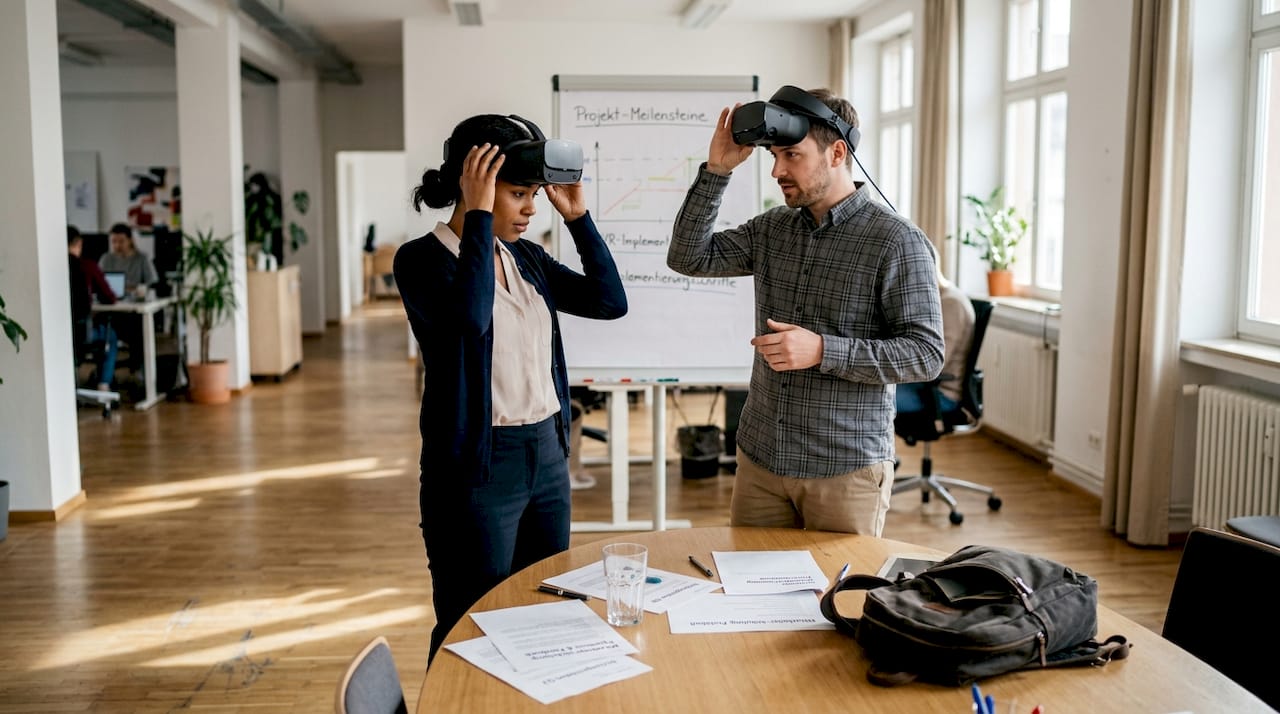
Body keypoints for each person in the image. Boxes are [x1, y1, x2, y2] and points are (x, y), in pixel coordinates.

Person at [394, 114, 627, 663]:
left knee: (546, 607)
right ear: (475, 184)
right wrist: (476, 215)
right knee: (469, 622)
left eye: (533, 195)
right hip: (476, 469)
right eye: (518, 194)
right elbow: (470, 321)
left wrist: (580, 220)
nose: (530, 208)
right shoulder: (420, 261)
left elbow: (609, 301)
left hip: (546, 457)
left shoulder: (524, 257)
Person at [666, 87, 944, 537]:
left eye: (792, 155)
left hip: (844, 471)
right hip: (761, 462)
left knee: (834, 604)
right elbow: (688, 257)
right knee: (750, 603)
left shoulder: (896, 241)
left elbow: (926, 355)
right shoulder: (773, 228)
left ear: (837, 152)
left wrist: (822, 350)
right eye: (774, 155)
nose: (777, 170)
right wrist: (716, 171)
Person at [896, 269, 975, 415]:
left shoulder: (951, 303)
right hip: (923, 386)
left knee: (873, 401)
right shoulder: (941, 298)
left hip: (939, 394)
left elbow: (937, 362)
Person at [67, 226, 119, 392]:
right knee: (110, 336)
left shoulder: (48, 267)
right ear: (79, 243)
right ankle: (103, 384)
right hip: (82, 332)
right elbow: (110, 298)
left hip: (58, 334)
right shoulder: (86, 266)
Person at [99, 222, 157, 298]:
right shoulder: (106, 258)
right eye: (114, 241)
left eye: (121, 241)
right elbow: (98, 283)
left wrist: (139, 290)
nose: (117, 245)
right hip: (111, 299)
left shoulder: (142, 258)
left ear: (130, 240)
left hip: (135, 301)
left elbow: (152, 283)